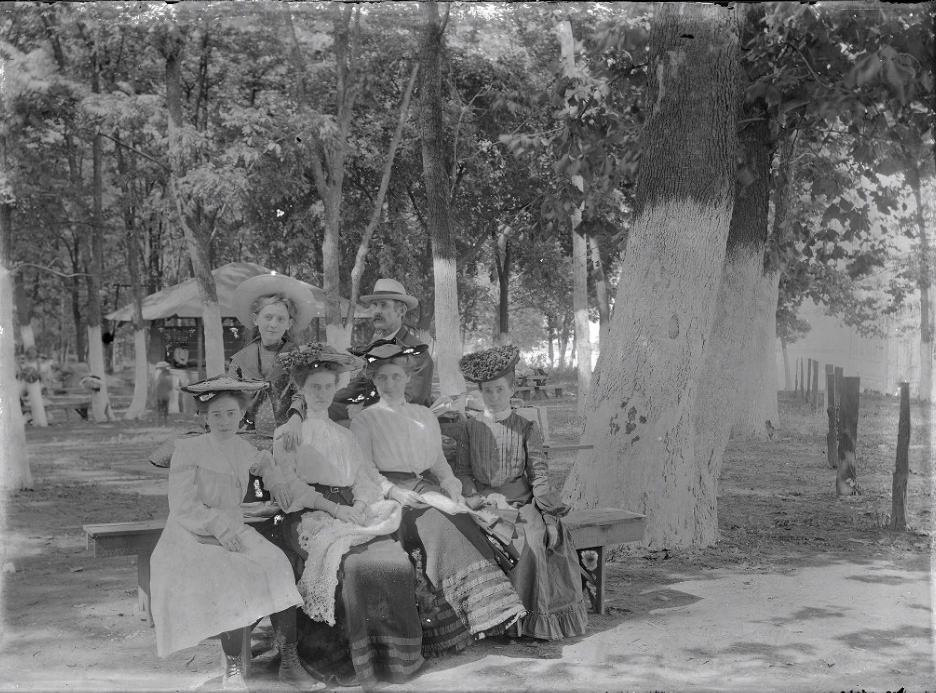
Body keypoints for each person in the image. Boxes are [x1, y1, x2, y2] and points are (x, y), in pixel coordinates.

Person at [148, 376, 324, 691]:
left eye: (230, 414)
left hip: (234, 527)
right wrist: (217, 527)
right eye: (216, 415)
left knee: (277, 564)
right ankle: (232, 667)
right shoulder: (189, 450)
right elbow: (183, 506)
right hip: (191, 533)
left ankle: (288, 659)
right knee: (232, 575)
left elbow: (262, 461)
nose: (224, 421)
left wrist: (275, 479)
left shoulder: (241, 447)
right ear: (203, 417)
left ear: (240, 415)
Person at [350, 342, 526, 655]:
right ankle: (454, 626)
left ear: (406, 378)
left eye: (395, 376)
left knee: (465, 520)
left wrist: (451, 485)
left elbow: (438, 463)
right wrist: (396, 492)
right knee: (441, 527)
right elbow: (366, 470)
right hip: (388, 495)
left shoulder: (423, 416)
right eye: (383, 378)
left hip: (426, 486)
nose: (390, 384)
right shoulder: (366, 420)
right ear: (374, 382)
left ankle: (489, 614)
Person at [267, 343, 424, 688]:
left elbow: (365, 478)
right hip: (309, 517)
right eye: (314, 387)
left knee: (392, 561)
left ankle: (395, 660)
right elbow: (293, 487)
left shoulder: (345, 434)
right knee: (354, 567)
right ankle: (354, 662)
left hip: (350, 512)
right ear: (301, 390)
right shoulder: (288, 434)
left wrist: (362, 506)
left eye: (327, 386)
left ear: (337, 385)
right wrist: (336, 509)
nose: (322, 394)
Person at [454, 345, 588, 640]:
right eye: (487, 390)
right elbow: (463, 471)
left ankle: (531, 623)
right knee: (492, 542)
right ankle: (497, 622)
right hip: (483, 504)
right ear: (479, 392)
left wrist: (550, 516)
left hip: (522, 502)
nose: (493, 396)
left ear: (512, 389)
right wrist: (474, 497)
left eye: (499, 389)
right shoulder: (469, 428)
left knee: (533, 542)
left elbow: (538, 474)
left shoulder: (526, 427)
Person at [283, 278, 433, 428]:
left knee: (342, 428)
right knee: (316, 411)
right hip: (367, 413)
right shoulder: (374, 348)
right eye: (374, 306)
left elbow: (409, 401)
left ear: (401, 311)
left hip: (403, 424)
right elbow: (355, 389)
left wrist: (364, 411)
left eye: (383, 305)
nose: (376, 311)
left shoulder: (417, 351)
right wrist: (324, 400)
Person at [228, 272, 317, 503]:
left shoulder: (296, 355)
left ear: (289, 324)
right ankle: (249, 504)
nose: (273, 324)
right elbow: (230, 398)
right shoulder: (240, 360)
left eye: (280, 319)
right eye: (268, 317)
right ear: (256, 319)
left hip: (287, 431)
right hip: (252, 434)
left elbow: (303, 390)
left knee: (294, 459)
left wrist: (296, 418)